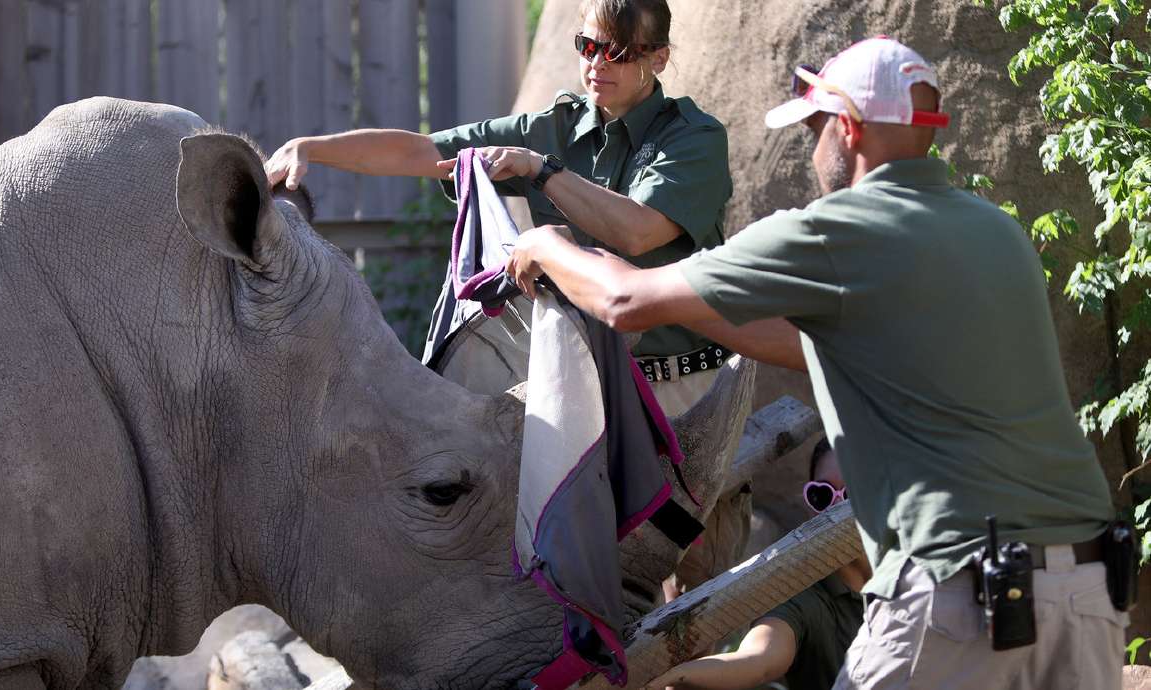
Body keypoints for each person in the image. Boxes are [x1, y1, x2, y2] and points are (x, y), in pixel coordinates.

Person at [505, 37, 1125, 690]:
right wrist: (656, 294)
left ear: (849, 128)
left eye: (813, 128)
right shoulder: (995, 232)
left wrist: (548, 245)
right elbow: (812, 343)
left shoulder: (838, 227)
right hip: (1084, 590)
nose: (811, 148)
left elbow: (626, 302)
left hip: (956, 590)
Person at [268, 0, 770, 592]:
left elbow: (638, 231)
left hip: (683, 388)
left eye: (619, 51)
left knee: (695, 582)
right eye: (587, 46)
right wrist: (314, 147)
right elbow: (422, 152)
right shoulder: (555, 125)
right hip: (588, 384)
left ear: (659, 57)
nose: (596, 64)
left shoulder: (695, 137)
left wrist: (540, 170)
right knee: (577, 574)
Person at [646, 439, 868, 690]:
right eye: (822, 495)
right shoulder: (803, 600)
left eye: (852, 495)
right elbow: (757, 660)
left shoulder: (915, 575)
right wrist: (673, 675)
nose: (837, 508)